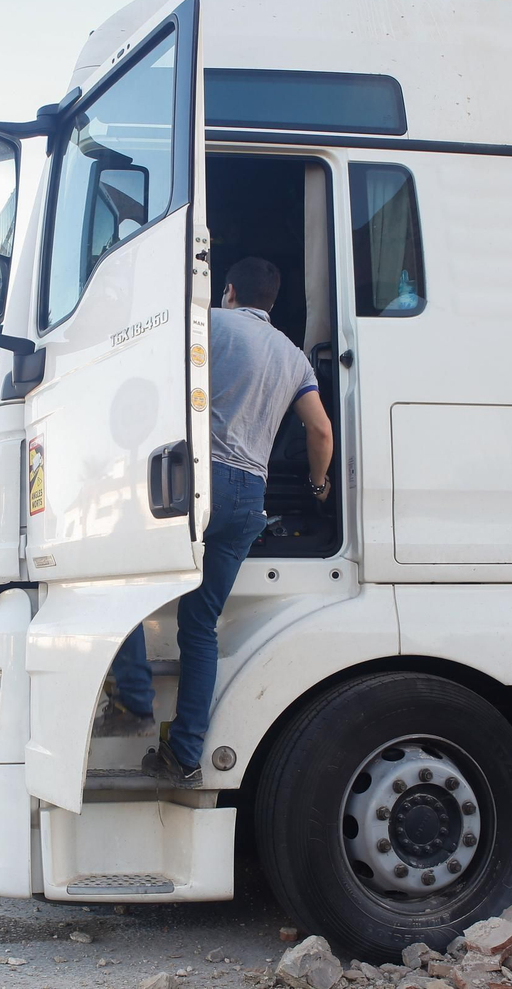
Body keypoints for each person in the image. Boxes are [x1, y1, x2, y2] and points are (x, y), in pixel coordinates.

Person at [105, 256, 334, 787]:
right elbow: (321, 432)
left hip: (193, 484)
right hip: (248, 497)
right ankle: (184, 756)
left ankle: (136, 698)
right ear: (271, 302)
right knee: (199, 627)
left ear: (228, 291)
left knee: (125, 585)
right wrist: (318, 486)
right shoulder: (295, 358)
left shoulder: (205, 323)